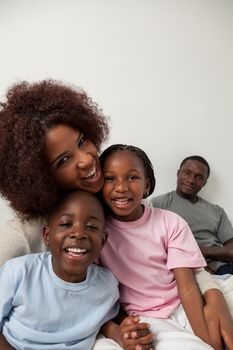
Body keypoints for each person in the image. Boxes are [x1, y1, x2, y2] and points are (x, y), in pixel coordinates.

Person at [0, 80, 231, 349]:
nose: (86, 160)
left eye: (82, 141)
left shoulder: (114, 197)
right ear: (40, 176)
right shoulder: (23, 234)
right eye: (63, 160)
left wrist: (213, 293)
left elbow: (172, 260)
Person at [98, 144, 233, 350]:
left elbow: (187, 288)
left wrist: (205, 338)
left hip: (183, 304)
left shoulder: (170, 222)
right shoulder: (97, 232)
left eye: (132, 177)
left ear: (146, 185)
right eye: (110, 178)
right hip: (147, 317)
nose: (121, 187)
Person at [0, 190, 121, 350]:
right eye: (66, 224)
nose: (78, 234)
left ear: (103, 241)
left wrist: (122, 332)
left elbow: (109, 318)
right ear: (47, 236)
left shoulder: (107, 285)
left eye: (91, 227)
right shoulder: (18, 272)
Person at [150, 155, 233, 275]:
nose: (191, 180)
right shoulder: (159, 204)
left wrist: (203, 252)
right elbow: (151, 243)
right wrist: (195, 260)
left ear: (204, 183)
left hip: (225, 265)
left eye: (199, 177)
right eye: (187, 173)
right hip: (190, 269)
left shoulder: (217, 211)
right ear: (178, 173)